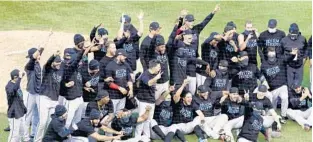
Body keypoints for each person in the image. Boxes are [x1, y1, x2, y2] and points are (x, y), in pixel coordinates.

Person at [170, 30, 210, 94]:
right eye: (188, 35)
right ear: (183, 36)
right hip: (184, 75)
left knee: (192, 93)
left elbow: (194, 59)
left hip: (192, 74)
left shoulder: (193, 47)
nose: (190, 36)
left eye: (191, 35)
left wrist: (204, 64)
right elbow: (172, 44)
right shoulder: (179, 45)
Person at [35, 51, 63, 142]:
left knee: (50, 122)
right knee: (43, 122)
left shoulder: (61, 70)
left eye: (60, 62)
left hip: (54, 100)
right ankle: (37, 140)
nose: (59, 64)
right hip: (44, 98)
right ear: (53, 63)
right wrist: (53, 55)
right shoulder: (47, 69)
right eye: (57, 62)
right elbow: (47, 63)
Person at [59, 44, 86, 128]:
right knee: (67, 120)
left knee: (77, 121)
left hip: (79, 97)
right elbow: (76, 62)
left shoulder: (78, 68)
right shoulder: (67, 68)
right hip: (71, 99)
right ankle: (63, 137)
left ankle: (74, 137)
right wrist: (82, 51)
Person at [135, 59, 162, 139]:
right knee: (141, 120)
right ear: (153, 67)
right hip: (143, 101)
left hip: (151, 100)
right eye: (158, 67)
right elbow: (149, 83)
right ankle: (137, 138)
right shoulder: (145, 74)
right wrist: (157, 78)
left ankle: (147, 138)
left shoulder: (154, 74)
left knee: (148, 120)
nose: (160, 68)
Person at [260, 47, 289, 121]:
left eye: (273, 51)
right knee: (273, 105)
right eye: (270, 51)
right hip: (272, 88)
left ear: (275, 53)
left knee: (284, 97)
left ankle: (283, 115)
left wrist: (293, 54)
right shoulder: (264, 65)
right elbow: (261, 75)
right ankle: (272, 116)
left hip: (282, 85)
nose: (272, 53)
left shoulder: (280, 60)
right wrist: (264, 82)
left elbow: (289, 58)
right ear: (267, 54)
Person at [24, 46, 45, 141]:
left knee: (37, 115)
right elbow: (32, 59)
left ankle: (33, 134)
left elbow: (37, 55)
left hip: (39, 94)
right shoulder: (29, 65)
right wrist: (38, 52)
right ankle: (25, 137)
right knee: (28, 115)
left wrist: (41, 49)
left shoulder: (37, 63)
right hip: (31, 93)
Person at [6, 69, 27, 142]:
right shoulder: (9, 86)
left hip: (20, 112)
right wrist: (20, 79)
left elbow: (19, 97)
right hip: (14, 113)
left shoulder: (16, 84)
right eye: (18, 77)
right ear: (15, 77)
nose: (20, 79)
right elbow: (14, 90)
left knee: (21, 133)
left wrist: (23, 108)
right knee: (14, 135)